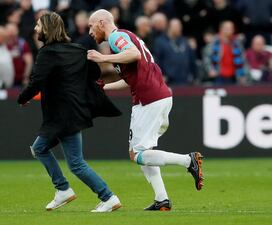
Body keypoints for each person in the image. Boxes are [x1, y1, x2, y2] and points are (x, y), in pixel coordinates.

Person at [87, 9, 204, 211]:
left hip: (149, 98)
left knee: (138, 154)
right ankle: (162, 200)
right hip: (155, 96)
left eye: (90, 26)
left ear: (101, 22)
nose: (89, 31)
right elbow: (130, 77)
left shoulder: (116, 36)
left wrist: (102, 59)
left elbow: (133, 55)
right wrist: (104, 88)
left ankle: (188, 160)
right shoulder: (124, 39)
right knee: (142, 151)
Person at [17, 12, 122, 213]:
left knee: (74, 163)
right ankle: (64, 189)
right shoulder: (78, 49)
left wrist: (22, 98)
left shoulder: (47, 53)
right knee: (41, 148)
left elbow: (36, 82)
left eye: (38, 25)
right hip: (73, 111)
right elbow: (94, 73)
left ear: (47, 29)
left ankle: (105, 196)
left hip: (62, 114)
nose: (36, 29)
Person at [203, 21, 247, 85]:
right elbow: (206, 58)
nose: (230, 30)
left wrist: (243, 75)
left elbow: (243, 60)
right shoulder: (213, 43)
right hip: (218, 77)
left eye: (231, 28)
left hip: (234, 77)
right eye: (227, 28)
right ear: (221, 29)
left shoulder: (237, 44)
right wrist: (210, 70)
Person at [153, 18, 197, 85]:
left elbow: (191, 60)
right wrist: (161, 75)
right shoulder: (160, 41)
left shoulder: (185, 41)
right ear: (169, 27)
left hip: (185, 80)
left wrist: (194, 76)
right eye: (176, 26)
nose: (179, 28)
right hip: (168, 80)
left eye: (180, 26)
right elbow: (157, 60)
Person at [4, 23, 33, 87]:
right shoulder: (1, 44)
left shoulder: (22, 44)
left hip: (19, 80)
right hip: (4, 79)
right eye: (9, 31)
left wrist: (26, 77)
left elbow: (29, 62)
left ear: (17, 32)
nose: (11, 34)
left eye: (13, 31)